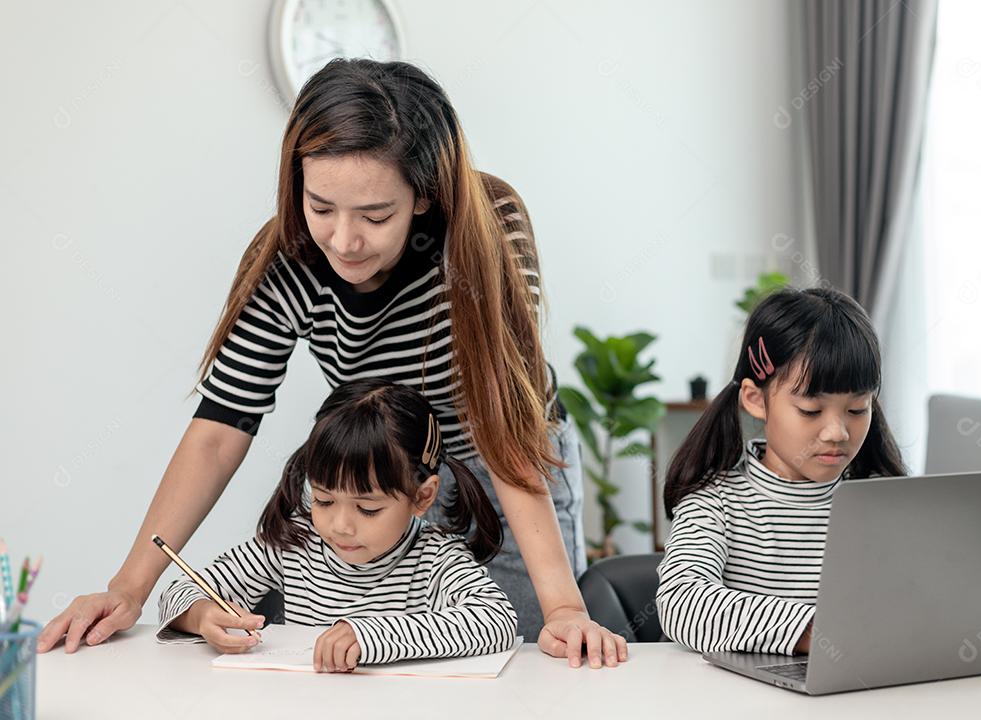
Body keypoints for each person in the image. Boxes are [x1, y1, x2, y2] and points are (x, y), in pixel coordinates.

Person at [39, 58, 627, 668]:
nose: (344, 240)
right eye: (321, 207)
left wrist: (561, 609)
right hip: (379, 468)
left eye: (375, 216)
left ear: (425, 194)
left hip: (503, 462)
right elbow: (220, 430)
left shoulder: (487, 234)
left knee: (520, 659)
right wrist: (129, 588)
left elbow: (505, 429)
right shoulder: (288, 259)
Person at [158, 379, 516, 670]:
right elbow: (179, 591)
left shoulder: (435, 557)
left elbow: (496, 620)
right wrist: (202, 615)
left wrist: (368, 636)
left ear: (422, 497)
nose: (340, 526)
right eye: (325, 500)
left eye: (368, 508)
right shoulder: (292, 542)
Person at [657, 287, 907, 654]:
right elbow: (681, 605)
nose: (837, 432)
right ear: (756, 399)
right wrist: (817, 633)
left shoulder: (880, 501)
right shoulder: (716, 502)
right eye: (810, 410)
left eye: (857, 409)